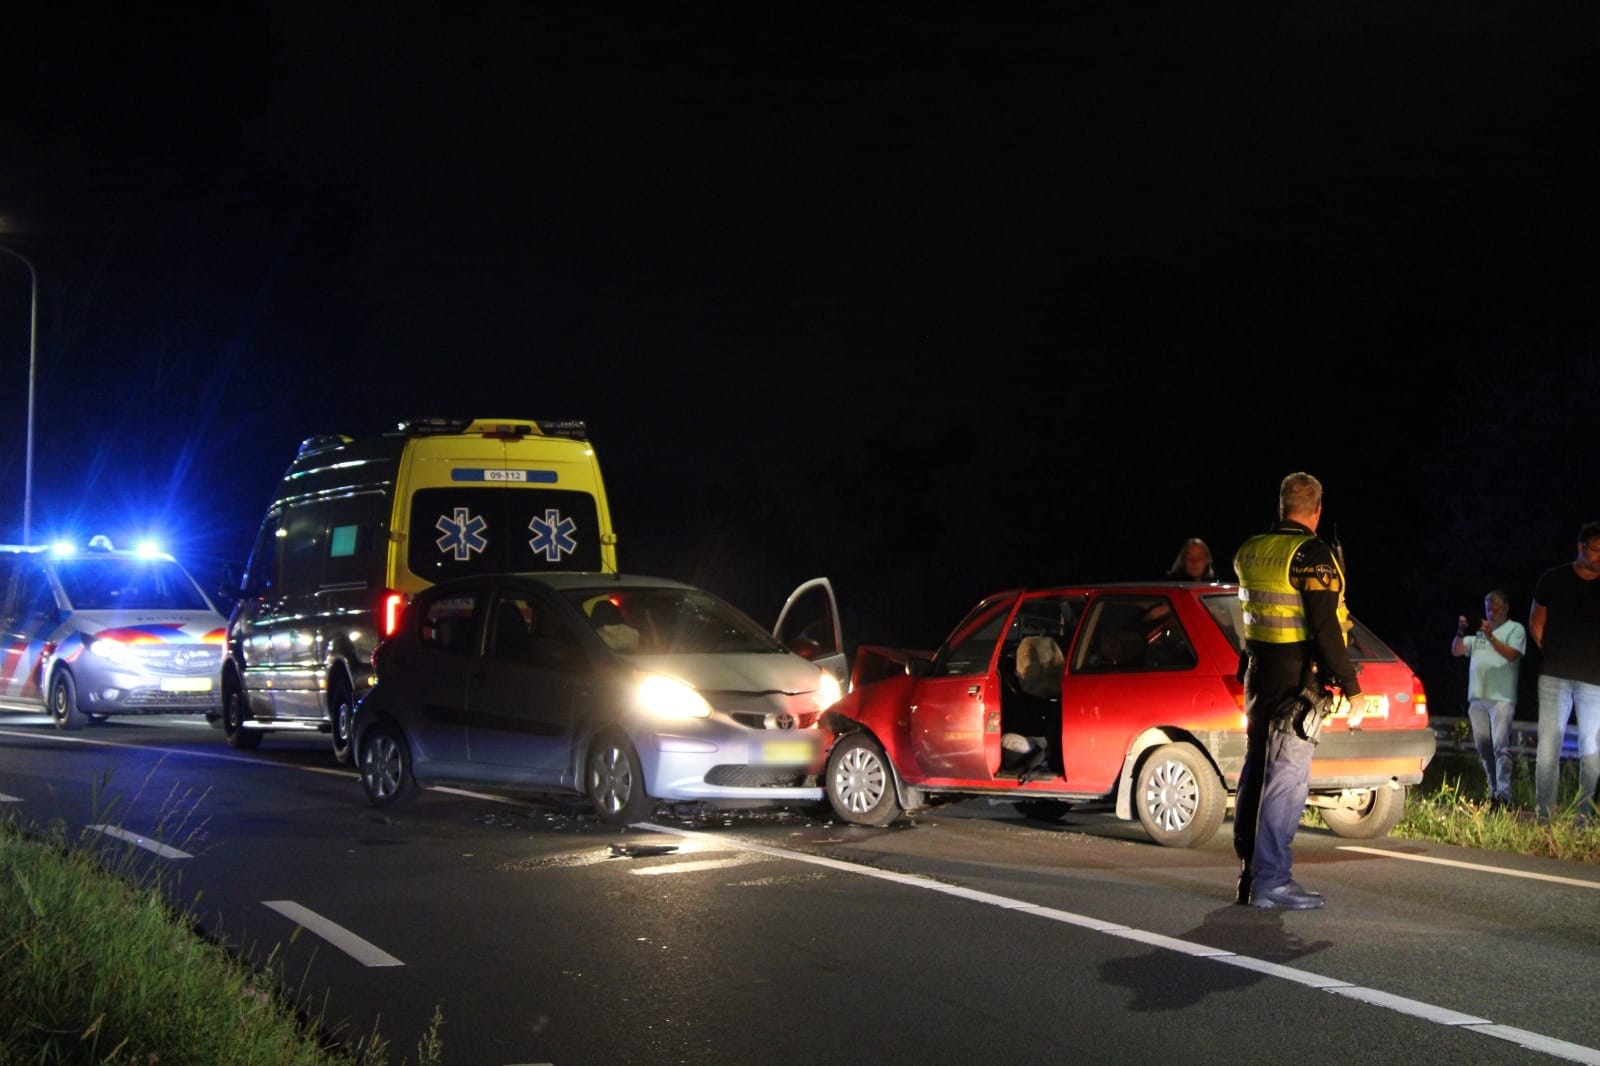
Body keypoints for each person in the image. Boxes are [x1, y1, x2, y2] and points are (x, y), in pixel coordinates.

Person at [1231, 472, 1361, 910]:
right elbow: (1325, 629)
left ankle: (1249, 873)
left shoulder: (1250, 550)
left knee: (1256, 770)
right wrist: (1352, 687)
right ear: (1317, 510)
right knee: (1286, 778)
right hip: (1297, 682)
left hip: (1257, 674)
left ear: (1281, 506)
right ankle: (1272, 881)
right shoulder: (1313, 555)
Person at [1529, 522, 1600, 824]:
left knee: (1592, 750)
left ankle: (1585, 817)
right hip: (1554, 674)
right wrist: (1551, 652)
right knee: (1548, 747)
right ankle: (1545, 815)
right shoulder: (1553, 579)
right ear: (1580, 547)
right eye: (1596, 550)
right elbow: (1536, 622)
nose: (1599, 557)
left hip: (1594, 679)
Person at [1450, 590, 1525, 810]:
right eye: (1488, 609)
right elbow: (1456, 650)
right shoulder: (1480, 634)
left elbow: (1512, 655)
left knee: (1500, 747)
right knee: (1484, 748)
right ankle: (1494, 793)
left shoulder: (1515, 629)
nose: (1491, 613)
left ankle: (1504, 796)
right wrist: (1461, 630)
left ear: (1506, 608)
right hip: (1477, 699)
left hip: (1501, 698)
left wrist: (1491, 637)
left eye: (1496, 609)